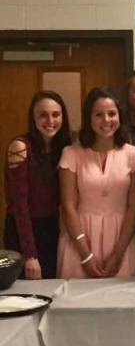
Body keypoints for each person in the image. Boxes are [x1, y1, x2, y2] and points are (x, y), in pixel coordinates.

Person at [58, 87, 135, 278]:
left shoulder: (134, 155)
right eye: (98, 114)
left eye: (112, 114)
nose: (106, 120)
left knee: (121, 302)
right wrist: (85, 255)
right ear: (89, 118)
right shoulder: (72, 154)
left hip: (121, 238)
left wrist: (119, 252)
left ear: (120, 116)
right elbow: (68, 206)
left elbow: (134, 208)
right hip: (79, 239)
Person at [3, 91, 71, 280]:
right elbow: (20, 207)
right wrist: (30, 255)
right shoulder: (20, 147)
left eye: (55, 115)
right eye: (43, 115)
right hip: (22, 229)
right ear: (33, 118)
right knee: (25, 294)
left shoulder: (63, 147)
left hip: (50, 228)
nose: (50, 121)